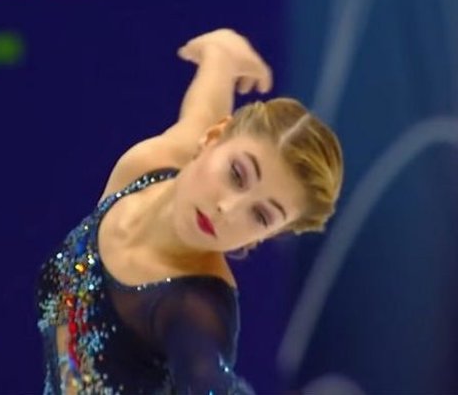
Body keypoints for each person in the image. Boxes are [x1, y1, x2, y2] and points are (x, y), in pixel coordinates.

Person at [34, 28, 343, 394]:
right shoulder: (150, 165)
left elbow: (208, 380)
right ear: (212, 139)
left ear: (267, 235)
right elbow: (203, 110)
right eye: (237, 174)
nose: (227, 209)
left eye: (260, 216)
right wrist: (222, 55)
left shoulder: (195, 309)